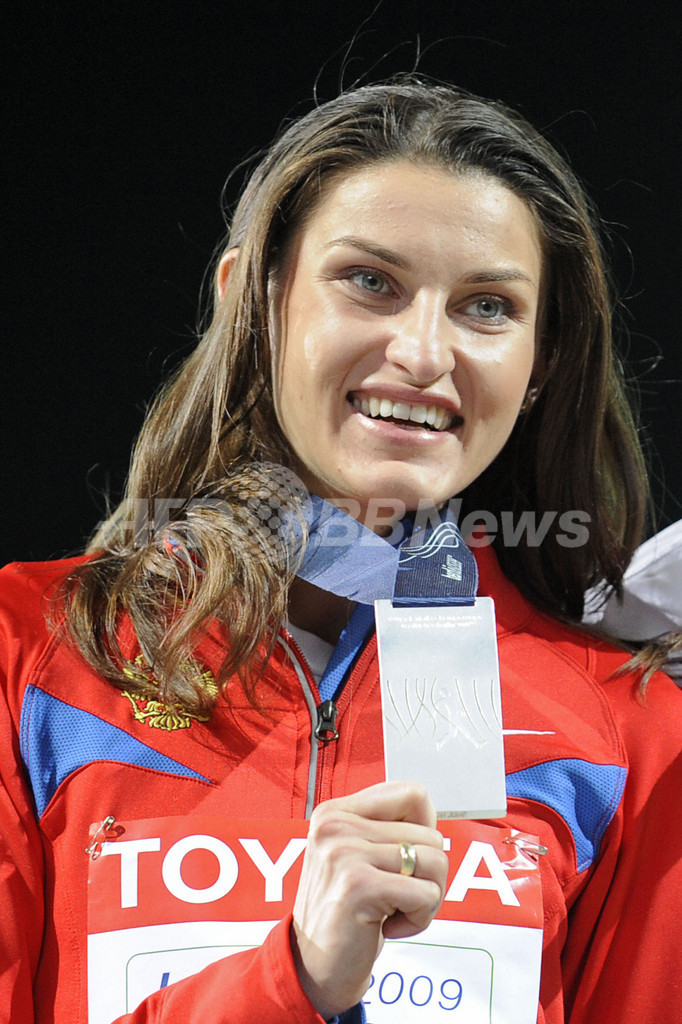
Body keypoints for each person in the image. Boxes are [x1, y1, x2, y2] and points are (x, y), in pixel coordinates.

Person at [1, 77, 681, 1024]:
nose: (425, 353)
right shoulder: (32, 656)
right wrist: (294, 981)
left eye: (489, 306)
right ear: (253, 301)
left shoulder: (631, 732)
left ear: (543, 363)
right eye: (370, 281)